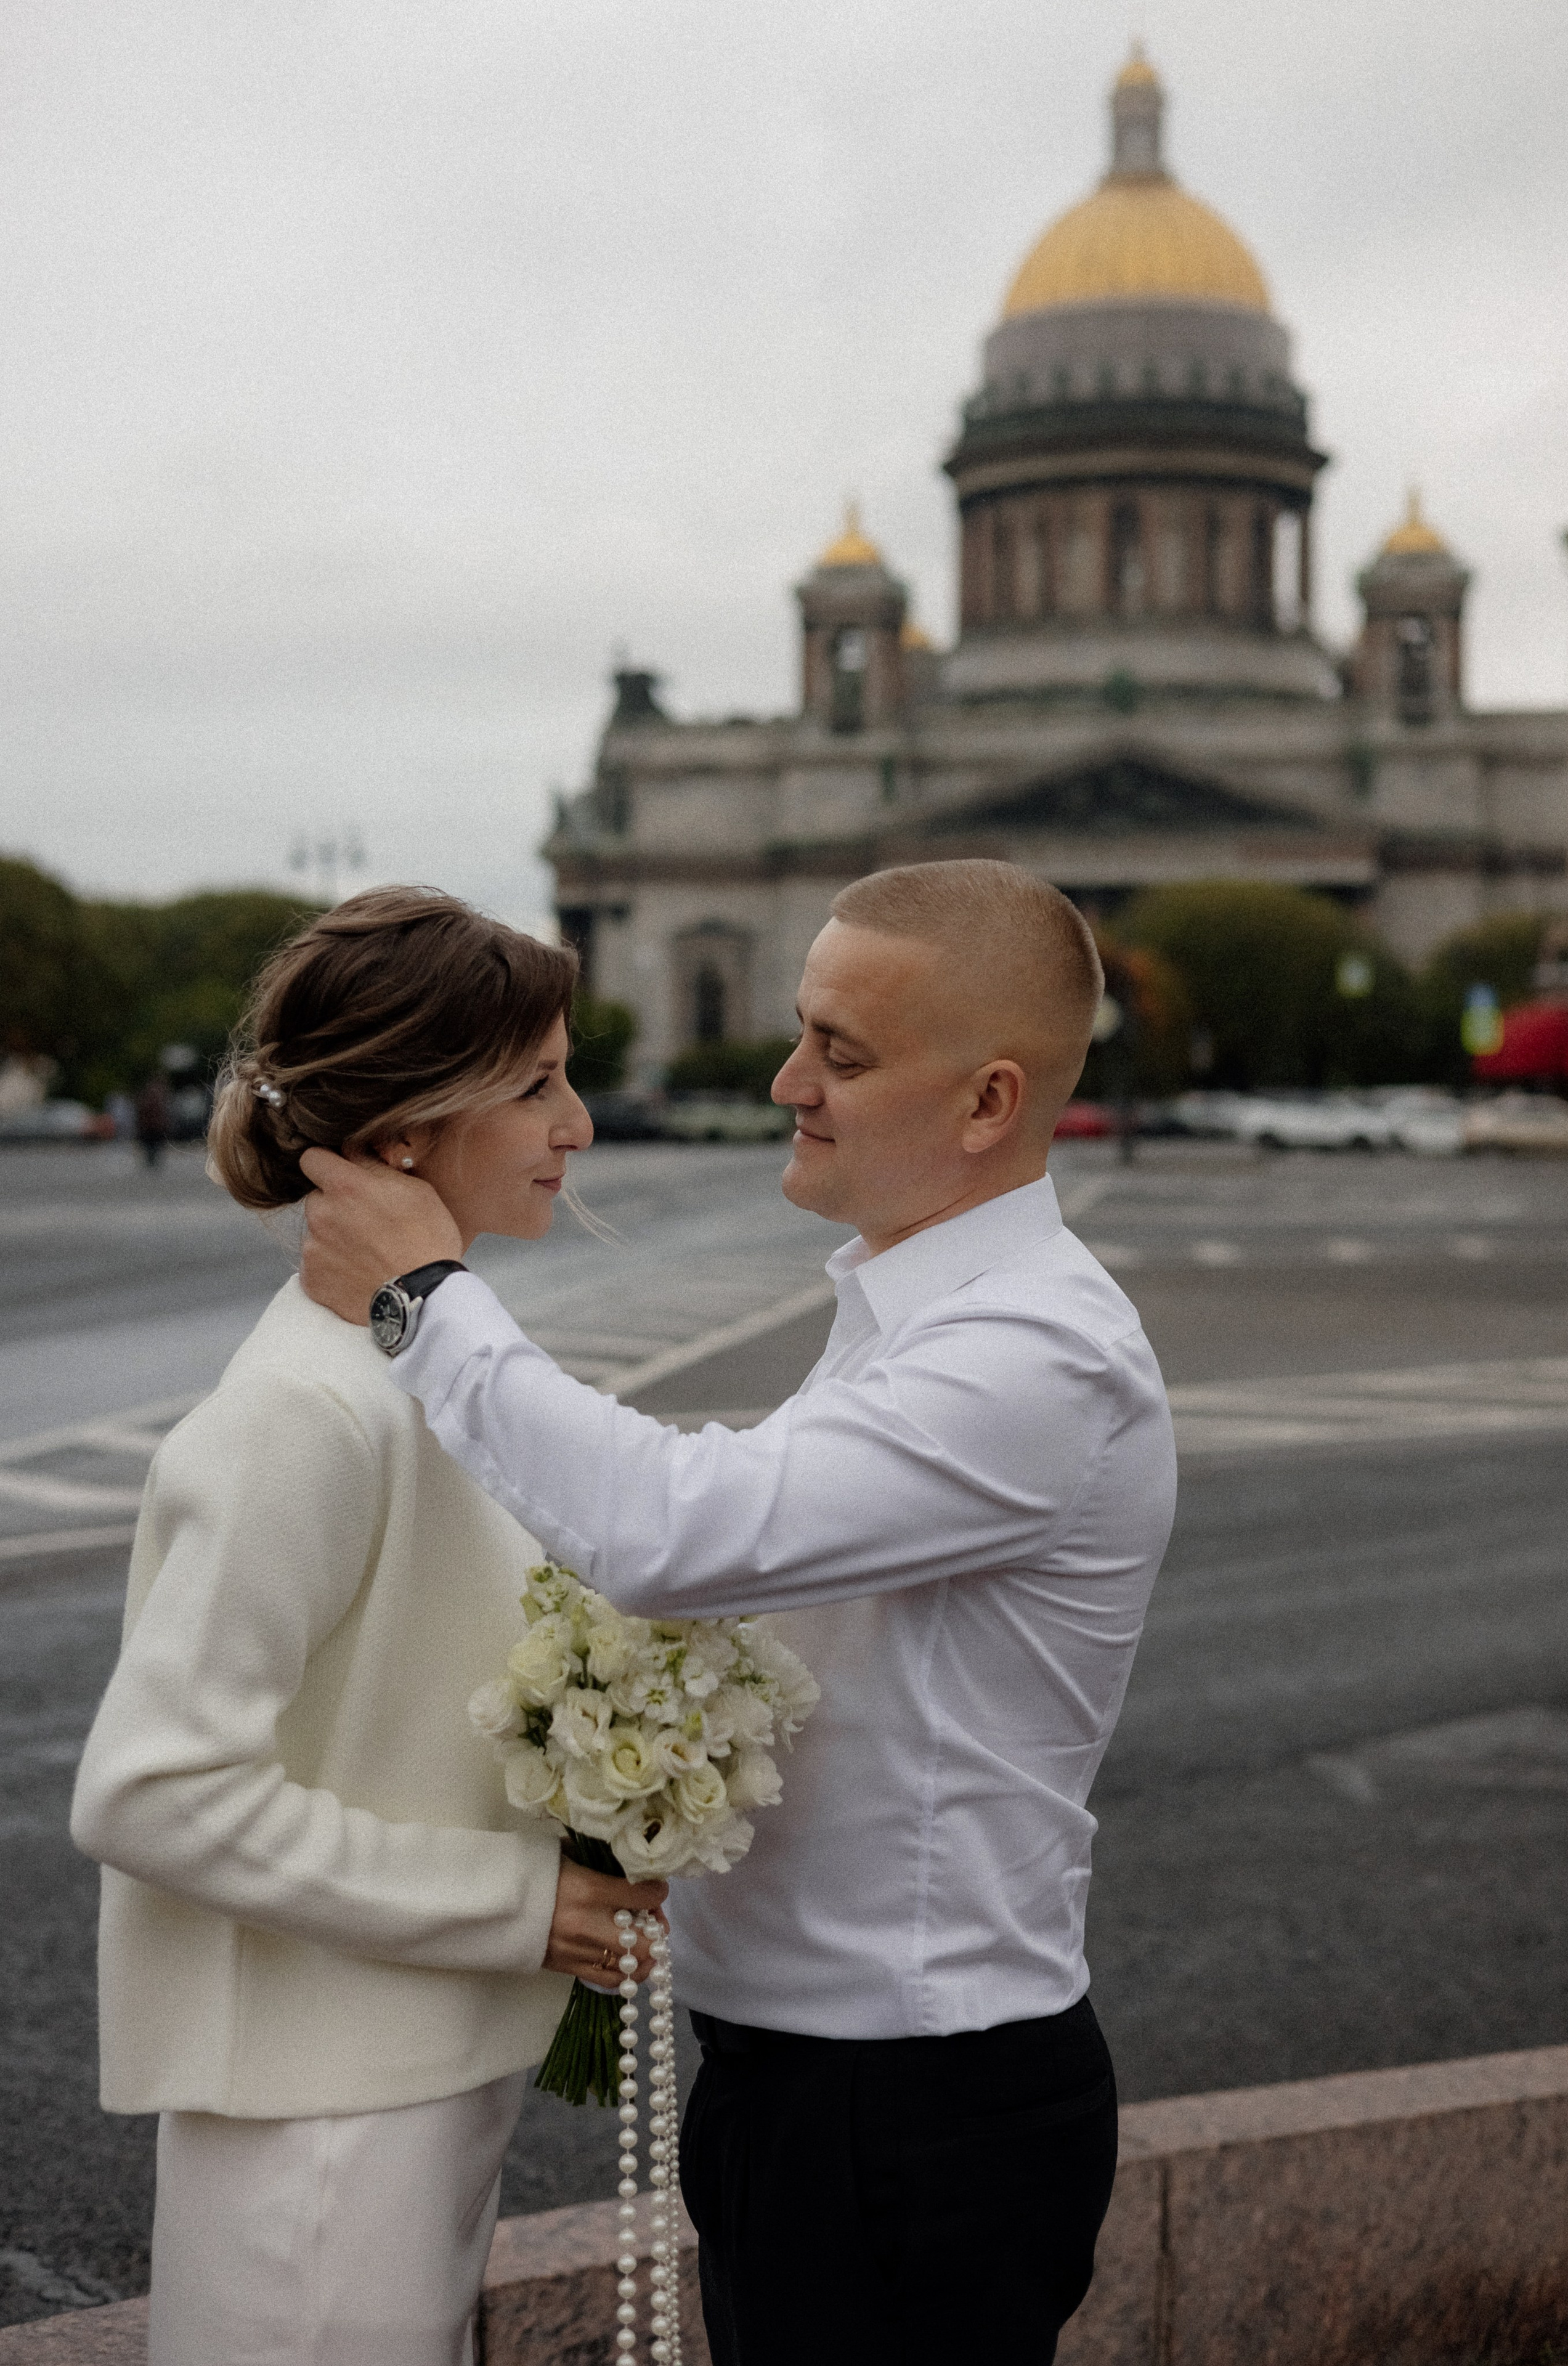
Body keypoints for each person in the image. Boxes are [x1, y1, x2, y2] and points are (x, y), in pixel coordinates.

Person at [298, 858, 1178, 2366]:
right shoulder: (926, 1320)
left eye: (841, 1054)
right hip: (839, 2090)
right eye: (799, 1034)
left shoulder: (1035, 1352)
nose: (789, 1081)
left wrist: (424, 1300)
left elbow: (675, 1531)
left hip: (912, 2105)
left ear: (986, 1102)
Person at [70, 887, 667, 2366]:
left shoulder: (406, 1373)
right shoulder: (308, 1413)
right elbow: (151, 1790)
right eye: (535, 1085)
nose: (576, 1124)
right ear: (407, 1131)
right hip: (317, 2130)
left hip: (379, 2088)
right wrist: (518, 1906)